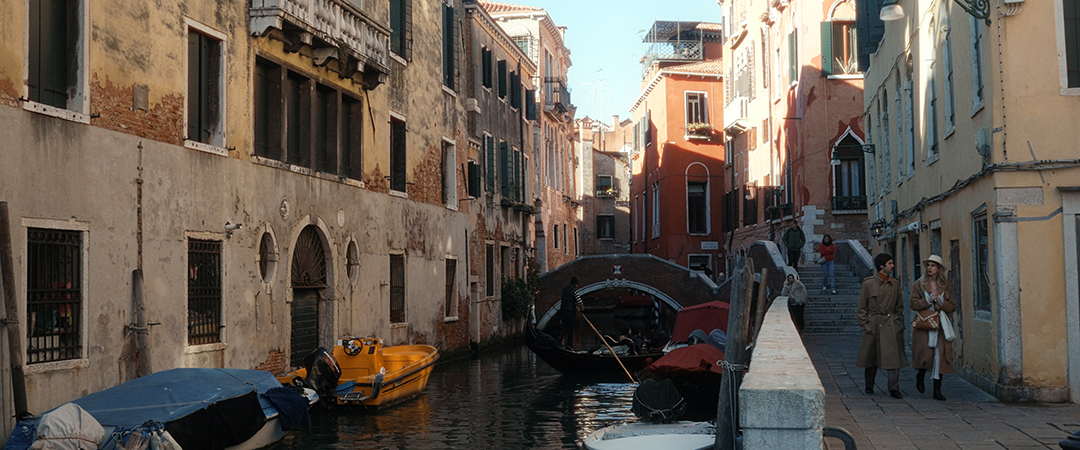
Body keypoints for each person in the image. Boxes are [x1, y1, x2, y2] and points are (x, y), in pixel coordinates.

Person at [856, 253, 909, 399]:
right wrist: (865, 325)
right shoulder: (868, 284)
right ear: (882, 266)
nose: (892, 266)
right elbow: (862, 307)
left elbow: (899, 306)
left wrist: (898, 323)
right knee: (870, 358)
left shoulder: (895, 283)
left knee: (894, 359)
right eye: (890, 263)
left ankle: (894, 388)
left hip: (891, 324)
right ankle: (869, 385)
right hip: (873, 323)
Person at [910, 255, 955, 401]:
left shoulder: (946, 286)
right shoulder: (919, 284)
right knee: (925, 355)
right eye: (928, 265)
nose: (929, 268)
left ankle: (937, 389)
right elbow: (913, 304)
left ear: (939, 269)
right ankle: (920, 375)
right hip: (925, 324)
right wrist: (927, 300)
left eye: (933, 265)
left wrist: (941, 302)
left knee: (940, 357)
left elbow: (952, 306)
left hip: (940, 325)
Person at [557, 277, 582, 348]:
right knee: (570, 328)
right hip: (571, 312)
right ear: (575, 284)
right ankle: (569, 344)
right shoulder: (574, 291)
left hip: (563, 311)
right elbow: (579, 301)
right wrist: (582, 309)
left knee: (564, 327)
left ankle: (559, 339)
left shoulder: (564, 290)